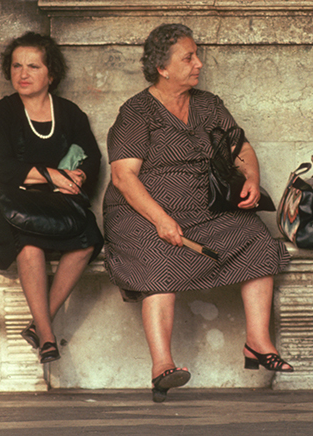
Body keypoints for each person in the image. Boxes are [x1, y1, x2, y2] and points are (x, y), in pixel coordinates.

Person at [103, 23, 292, 403]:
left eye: (196, 55)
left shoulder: (207, 105)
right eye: (188, 57)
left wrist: (251, 177)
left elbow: (240, 146)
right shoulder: (137, 112)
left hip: (201, 209)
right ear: (162, 68)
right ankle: (162, 367)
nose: (199, 63)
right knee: (158, 257)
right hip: (140, 212)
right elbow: (124, 177)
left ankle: (257, 342)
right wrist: (161, 219)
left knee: (255, 237)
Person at [0, 32, 103, 365]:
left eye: (33, 66)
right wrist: (51, 174)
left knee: (88, 239)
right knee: (29, 246)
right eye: (17, 65)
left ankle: (37, 324)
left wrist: (79, 177)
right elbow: (4, 168)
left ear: (52, 74)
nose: (23, 73)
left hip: (57, 204)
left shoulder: (70, 112)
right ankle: (47, 337)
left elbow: (91, 156)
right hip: (10, 204)